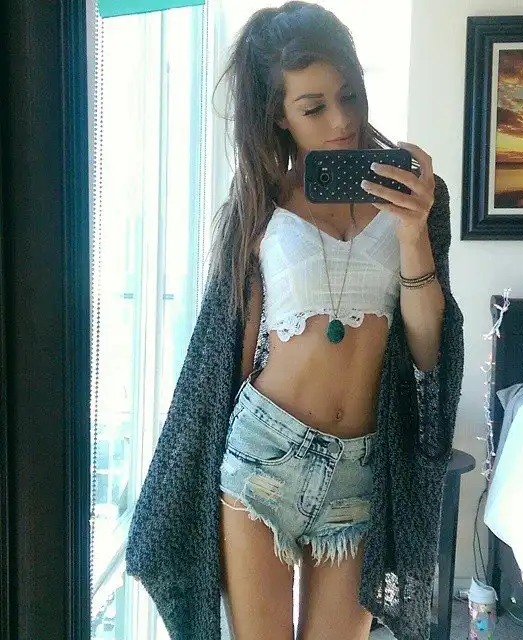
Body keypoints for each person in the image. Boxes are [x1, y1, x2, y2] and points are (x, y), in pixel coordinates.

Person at [126, 3, 464, 639]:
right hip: (264, 457)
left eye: (350, 95)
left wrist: (413, 232)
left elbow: (427, 354)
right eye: (313, 108)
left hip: (363, 469)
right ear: (278, 114)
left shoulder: (418, 197)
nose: (342, 121)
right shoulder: (259, 202)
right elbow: (227, 352)